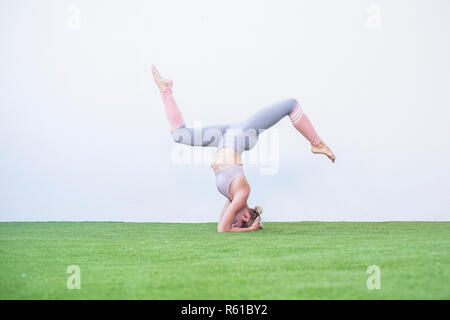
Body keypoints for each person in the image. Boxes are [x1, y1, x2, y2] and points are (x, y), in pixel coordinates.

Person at [152, 65, 335, 232]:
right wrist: (250, 229)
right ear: (247, 216)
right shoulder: (242, 193)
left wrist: (238, 226)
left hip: (228, 138)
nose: (232, 220)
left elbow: (221, 225)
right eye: (237, 222)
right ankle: (316, 143)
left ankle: (165, 88)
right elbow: (224, 229)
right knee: (291, 104)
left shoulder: (232, 199)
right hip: (240, 136)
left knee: (179, 135)